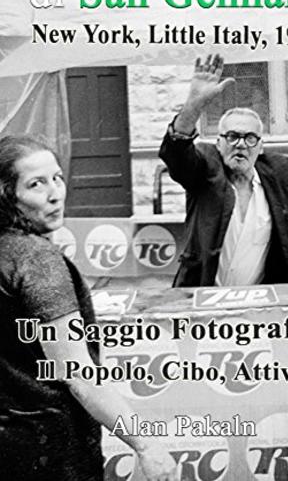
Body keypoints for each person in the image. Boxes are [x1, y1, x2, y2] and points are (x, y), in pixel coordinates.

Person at [0, 135, 178, 481]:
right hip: (51, 451)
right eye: (36, 184)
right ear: (8, 196)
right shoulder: (36, 260)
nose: (55, 193)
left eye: (57, 177)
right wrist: (145, 444)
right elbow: (80, 376)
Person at [159, 54, 288, 287]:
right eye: (232, 136)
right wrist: (194, 104)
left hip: (259, 303)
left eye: (250, 138)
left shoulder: (280, 173)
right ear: (219, 144)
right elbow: (177, 153)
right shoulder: (205, 167)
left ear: (260, 147)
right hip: (201, 297)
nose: (240, 144)